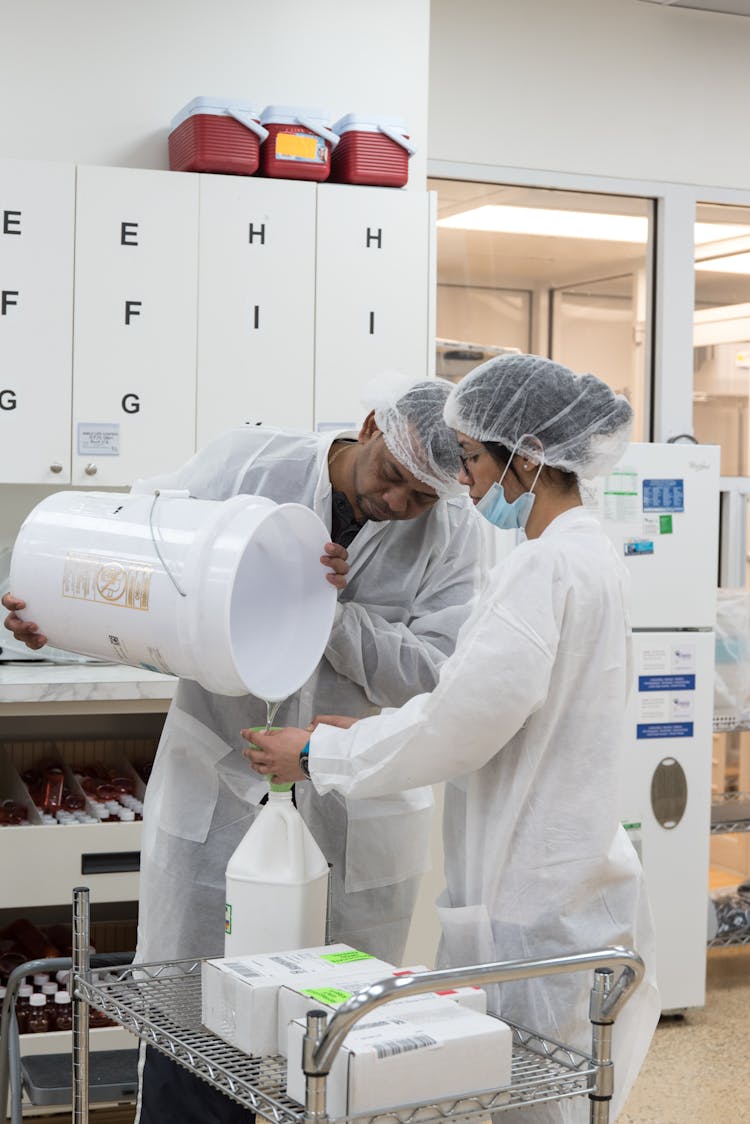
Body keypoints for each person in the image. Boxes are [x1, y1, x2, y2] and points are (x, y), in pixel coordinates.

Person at [3, 373, 484, 1124]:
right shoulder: (246, 467)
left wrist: (325, 615)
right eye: (392, 476)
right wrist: (52, 617)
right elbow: (135, 566)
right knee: (190, 1025)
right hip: (220, 796)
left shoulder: (454, 534)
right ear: (369, 428)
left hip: (350, 813)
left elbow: (435, 674)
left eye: (420, 497)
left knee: (335, 1042)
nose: (397, 504)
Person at [245, 354, 661, 1124]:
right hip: (567, 881)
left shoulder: (541, 569)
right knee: (557, 1095)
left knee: (524, 1101)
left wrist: (316, 754)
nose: (461, 481)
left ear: (528, 457)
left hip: (528, 902)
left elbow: (459, 725)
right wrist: (373, 728)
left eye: (470, 458)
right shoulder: (590, 556)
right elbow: (487, 709)